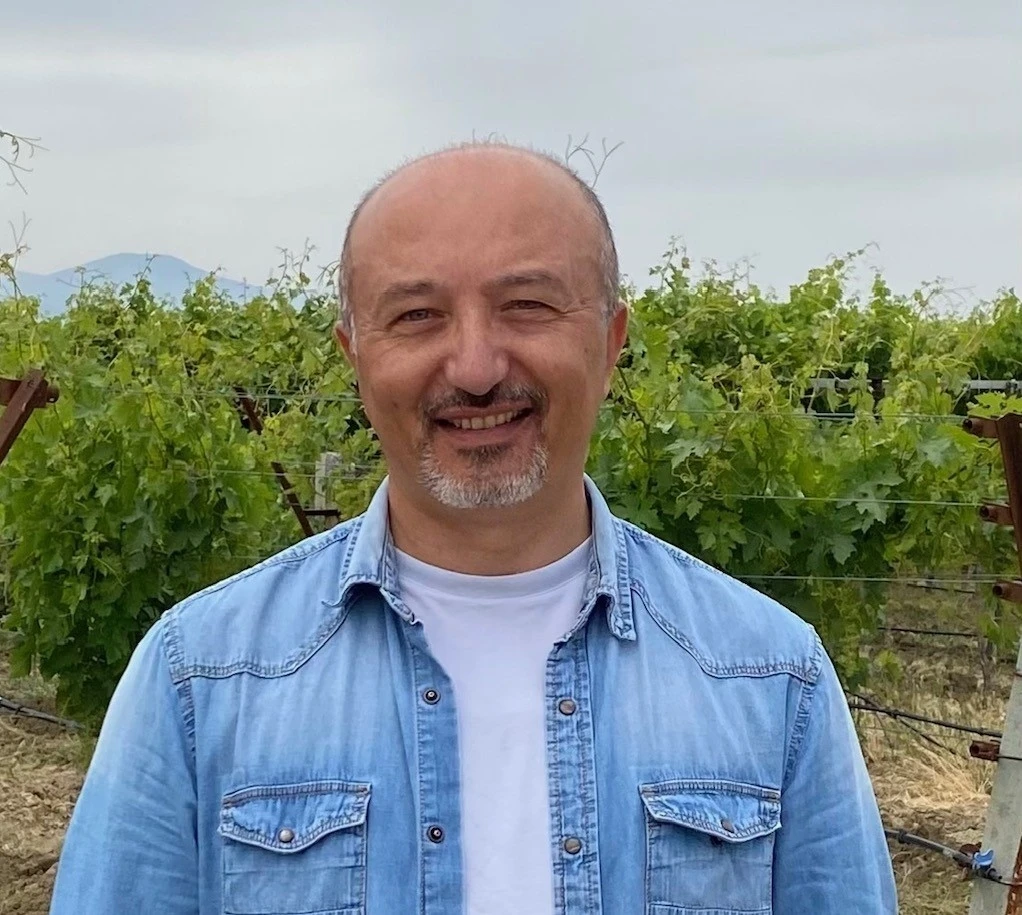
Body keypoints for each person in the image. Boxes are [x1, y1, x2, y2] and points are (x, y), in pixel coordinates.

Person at [50, 142, 897, 914]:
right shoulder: (199, 678)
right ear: (355, 356)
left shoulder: (771, 676)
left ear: (610, 342)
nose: (477, 367)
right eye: (417, 316)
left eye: (526, 305)